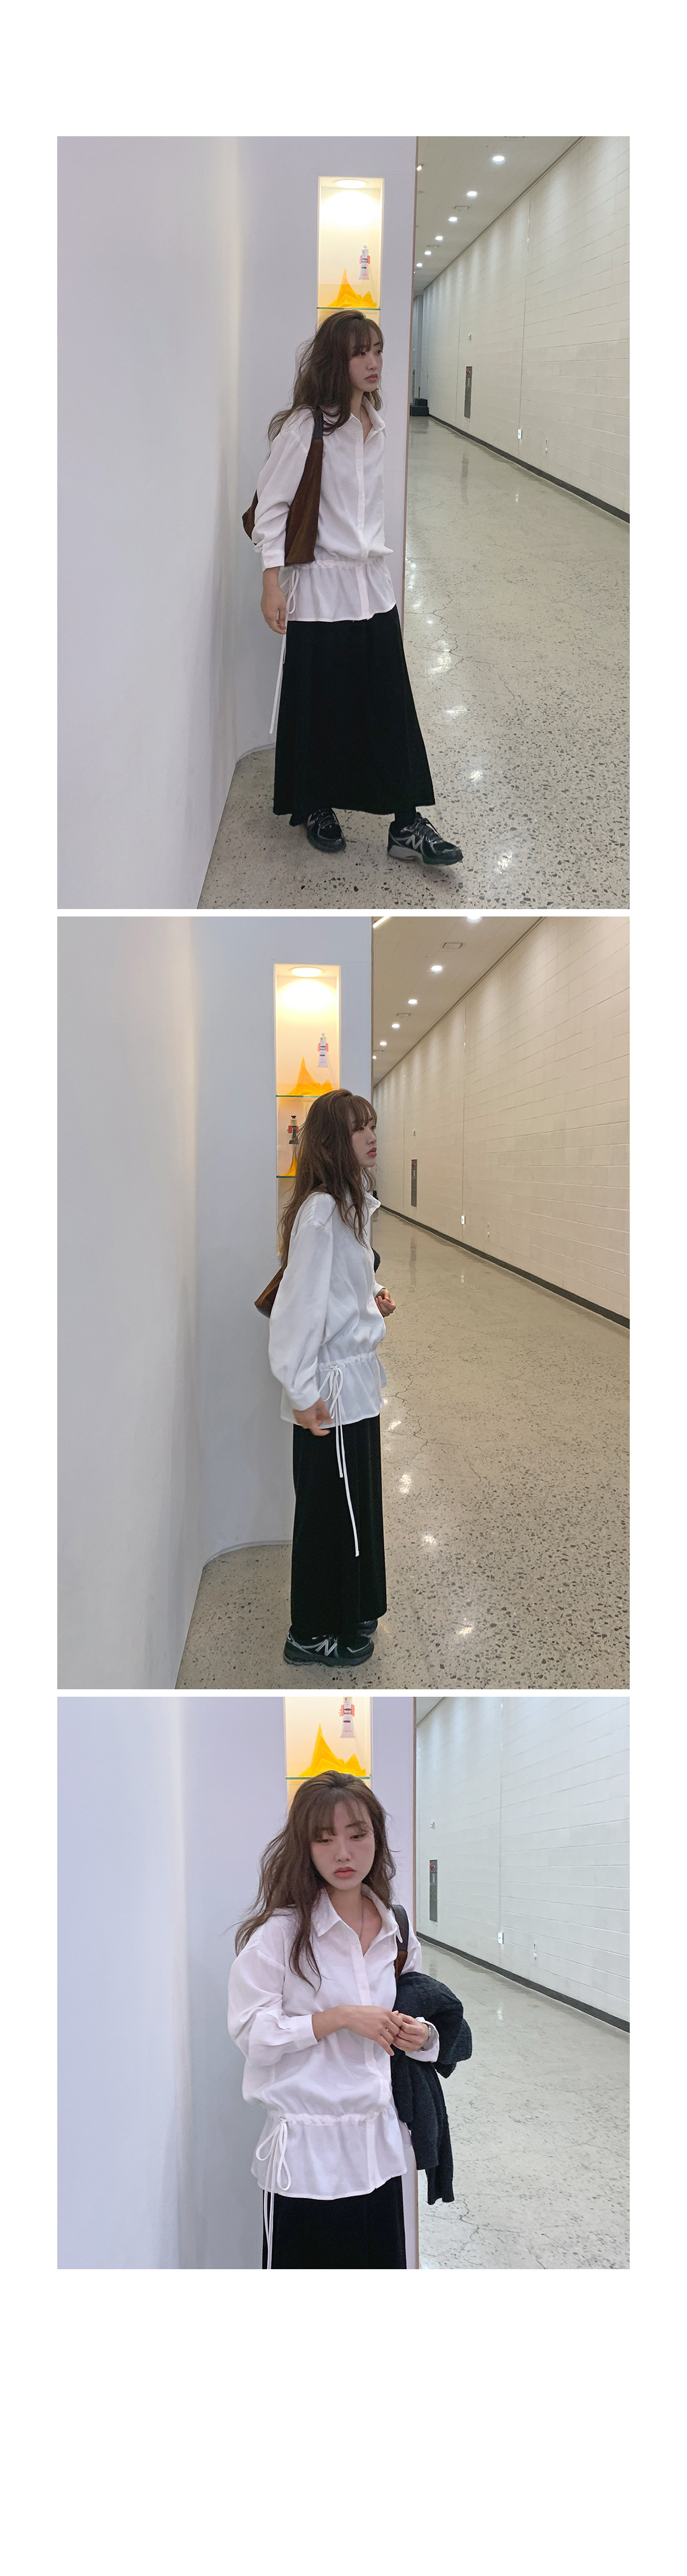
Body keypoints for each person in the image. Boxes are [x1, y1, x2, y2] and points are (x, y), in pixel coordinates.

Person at [252, 309, 463, 871]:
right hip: (322, 587)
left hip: (372, 586)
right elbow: (271, 506)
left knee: (389, 704)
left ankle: (406, 823)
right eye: (360, 352)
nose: (373, 363)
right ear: (336, 360)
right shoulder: (309, 427)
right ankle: (316, 804)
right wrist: (271, 580)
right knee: (322, 704)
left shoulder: (377, 423)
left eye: (378, 350)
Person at [227, 1775, 439, 2270]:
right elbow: (251, 2033)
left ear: (377, 1838)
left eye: (357, 1834)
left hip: (378, 2151)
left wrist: (421, 2034)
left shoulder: (397, 1931)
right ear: (305, 1848)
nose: (343, 1852)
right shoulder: (281, 1935)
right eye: (324, 1839)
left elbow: (425, 2014)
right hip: (306, 2158)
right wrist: (336, 2019)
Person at [268, 1088, 394, 1668]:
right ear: (330, 1142)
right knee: (329, 1516)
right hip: (329, 1396)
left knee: (353, 1507)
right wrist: (302, 1391)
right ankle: (313, 1631)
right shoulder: (322, 1212)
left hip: (356, 1389)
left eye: (371, 1125)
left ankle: (352, 1610)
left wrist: (373, 1298)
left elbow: (342, 1285)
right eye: (357, 1128)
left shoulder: (349, 1206)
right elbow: (298, 1308)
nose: (371, 1135)